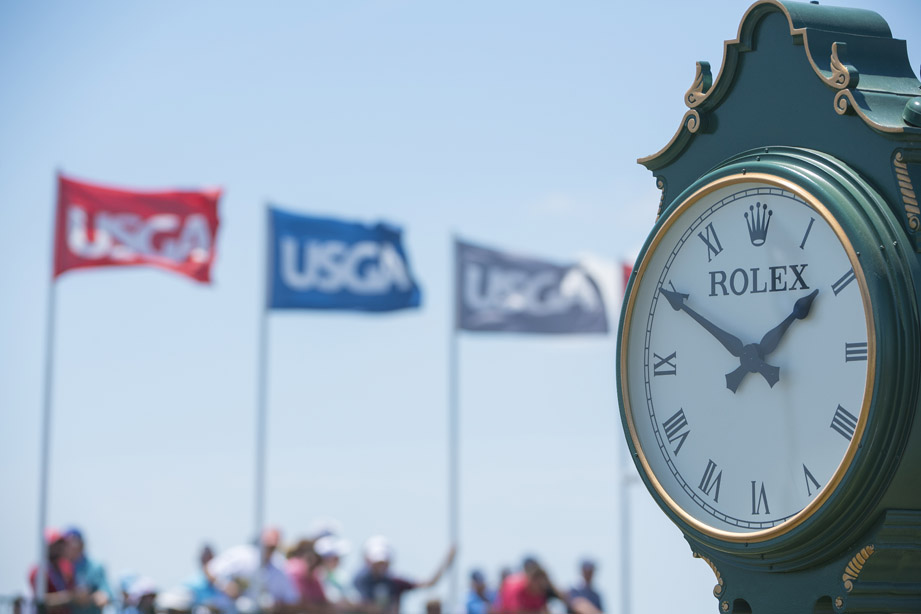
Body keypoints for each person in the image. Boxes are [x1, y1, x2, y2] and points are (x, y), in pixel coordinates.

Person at [352, 536, 456, 614]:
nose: (380, 566)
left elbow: (429, 583)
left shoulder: (395, 581)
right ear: (368, 561)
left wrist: (447, 562)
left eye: (383, 562)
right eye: (377, 563)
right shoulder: (359, 581)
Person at [208, 528, 299, 611]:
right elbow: (210, 569)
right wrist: (225, 586)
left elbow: (292, 600)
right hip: (226, 610)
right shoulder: (242, 555)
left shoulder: (280, 566)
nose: (269, 550)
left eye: (273, 547)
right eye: (267, 545)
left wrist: (275, 605)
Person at [63, 528, 113, 614]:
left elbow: (106, 594)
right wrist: (73, 597)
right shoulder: (60, 569)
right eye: (66, 544)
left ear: (82, 544)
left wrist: (96, 597)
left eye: (74, 543)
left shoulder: (95, 567)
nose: (70, 548)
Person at [29, 529, 75, 614]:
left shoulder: (66, 567)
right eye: (55, 545)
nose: (60, 548)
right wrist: (69, 597)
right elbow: (41, 600)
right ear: (47, 547)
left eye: (61, 544)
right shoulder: (37, 572)